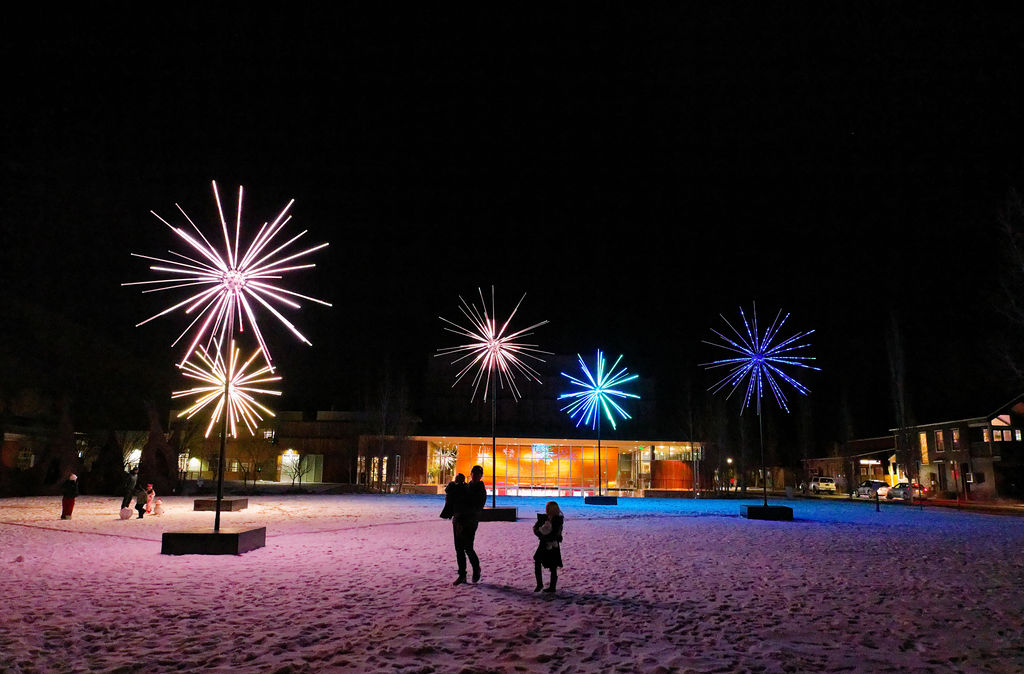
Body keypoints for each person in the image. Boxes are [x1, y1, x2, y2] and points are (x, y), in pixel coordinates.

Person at [452, 465, 486, 586]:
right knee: (459, 549)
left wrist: (463, 516)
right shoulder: (466, 486)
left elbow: (476, 507)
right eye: (474, 473)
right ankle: (462, 575)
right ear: (471, 474)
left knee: (467, 547)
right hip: (458, 520)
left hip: (469, 522)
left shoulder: (480, 489)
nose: (475, 475)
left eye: (478, 474)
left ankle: (476, 569)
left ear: (481, 476)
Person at [533, 500, 564, 593]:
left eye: (548, 507)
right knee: (541, 562)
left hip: (550, 544)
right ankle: (542, 585)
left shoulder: (556, 520)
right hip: (548, 544)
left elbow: (555, 533)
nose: (546, 509)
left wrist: (541, 534)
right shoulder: (547, 518)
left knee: (552, 565)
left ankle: (548, 586)